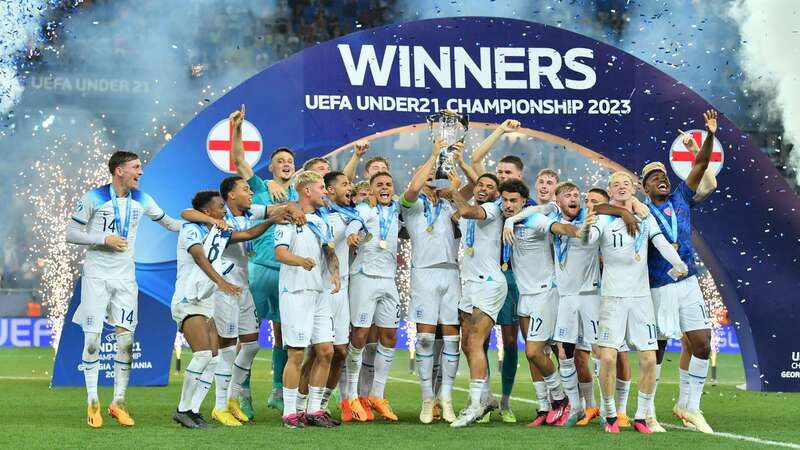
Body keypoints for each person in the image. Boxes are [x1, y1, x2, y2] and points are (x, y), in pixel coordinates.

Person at [67, 150, 182, 428]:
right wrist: (103, 238)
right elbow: (71, 233)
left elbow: (170, 223)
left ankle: (118, 402)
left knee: (126, 343)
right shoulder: (94, 197)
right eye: (136, 167)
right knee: (92, 341)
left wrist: (205, 224)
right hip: (96, 276)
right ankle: (92, 402)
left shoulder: (142, 199)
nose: (141, 172)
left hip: (125, 279)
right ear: (120, 171)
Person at [581, 171, 688, 434]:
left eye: (625, 184)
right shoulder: (603, 219)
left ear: (633, 189)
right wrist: (585, 228)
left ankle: (642, 416)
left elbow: (660, 241)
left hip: (640, 299)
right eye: (615, 185)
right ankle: (609, 414)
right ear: (610, 190)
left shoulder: (644, 216)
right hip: (612, 299)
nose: (620, 188)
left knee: (650, 360)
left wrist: (678, 263)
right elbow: (588, 240)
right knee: (607, 358)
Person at [171, 190, 287, 428]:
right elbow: (200, 257)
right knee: (205, 355)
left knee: (212, 360)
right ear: (207, 211)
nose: (224, 210)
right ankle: (182, 410)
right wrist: (221, 281)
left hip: (207, 299)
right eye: (220, 206)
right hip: (188, 298)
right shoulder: (190, 228)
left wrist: (271, 221)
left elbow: (247, 233)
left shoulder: (219, 232)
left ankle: (193, 410)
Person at [643, 110, 719, 433]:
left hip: (688, 282)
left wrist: (709, 134)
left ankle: (689, 406)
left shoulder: (681, 198)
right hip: (659, 285)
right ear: (644, 186)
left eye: (663, 174)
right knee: (658, 349)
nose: (661, 178)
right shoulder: (641, 211)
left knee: (702, 342)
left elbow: (701, 167)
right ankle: (646, 412)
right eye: (653, 177)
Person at [229, 105, 304, 416]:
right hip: (259, 268)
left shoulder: (301, 196)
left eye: (290, 161)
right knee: (249, 334)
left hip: (288, 271)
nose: (286, 164)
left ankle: (276, 389)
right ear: (271, 168)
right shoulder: (259, 188)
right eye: (280, 161)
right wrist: (237, 129)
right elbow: (240, 159)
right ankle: (240, 393)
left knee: (285, 334)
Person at [500, 179, 587, 427]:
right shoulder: (512, 219)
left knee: (534, 351)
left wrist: (578, 231)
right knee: (534, 356)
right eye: (505, 200)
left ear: (522, 202)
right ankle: (546, 407)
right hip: (525, 296)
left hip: (544, 294)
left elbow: (557, 226)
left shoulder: (534, 220)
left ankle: (563, 401)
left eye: (513, 201)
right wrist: (509, 218)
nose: (508, 205)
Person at [400, 139, 464, 423]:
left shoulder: (450, 204)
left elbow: (470, 193)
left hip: (451, 272)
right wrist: (434, 154)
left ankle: (446, 399)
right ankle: (427, 399)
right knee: (425, 339)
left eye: (432, 174)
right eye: (424, 173)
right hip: (423, 272)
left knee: (452, 339)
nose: (429, 177)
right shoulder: (411, 206)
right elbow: (412, 189)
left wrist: (457, 172)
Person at [274, 170, 342, 428]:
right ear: (307, 191)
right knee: (296, 354)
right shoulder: (288, 220)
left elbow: (329, 251)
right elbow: (279, 253)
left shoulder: (322, 221)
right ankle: (290, 412)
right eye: (322, 187)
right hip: (296, 292)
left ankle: (314, 410)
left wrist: (335, 273)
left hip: (319, 293)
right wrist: (300, 261)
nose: (326, 192)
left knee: (326, 351)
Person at [446, 169, 507, 428]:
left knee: (474, 342)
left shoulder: (493, 209)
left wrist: (456, 192)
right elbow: (457, 211)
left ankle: (474, 406)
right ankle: (487, 399)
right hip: (470, 286)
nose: (482, 188)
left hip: (490, 285)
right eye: (479, 184)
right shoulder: (466, 212)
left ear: (496, 193)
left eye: (488, 186)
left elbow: (467, 211)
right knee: (467, 345)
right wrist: (456, 184)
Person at [343, 171, 402, 422]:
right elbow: (353, 227)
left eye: (389, 184)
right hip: (364, 277)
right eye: (379, 185)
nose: (385, 188)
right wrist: (352, 236)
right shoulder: (365, 210)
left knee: (389, 335)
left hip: (388, 279)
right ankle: (350, 395)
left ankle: (377, 395)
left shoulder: (399, 210)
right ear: (372, 189)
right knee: (359, 335)